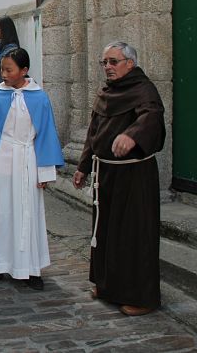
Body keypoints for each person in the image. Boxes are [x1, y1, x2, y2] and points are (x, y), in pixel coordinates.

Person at [73, 42, 165, 316]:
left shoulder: (144, 90)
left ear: (130, 63)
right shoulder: (106, 91)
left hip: (133, 175)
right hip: (106, 173)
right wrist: (83, 165)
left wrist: (132, 134)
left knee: (132, 235)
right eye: (105, 62)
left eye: (114, 61)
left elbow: (151, 117)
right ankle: (108, 285)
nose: (108, 67)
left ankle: (141, 297)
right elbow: (94, 131)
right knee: (105, 233)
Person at [0, 48, 64, 291]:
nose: (3, 73)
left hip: (27, 159)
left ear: (24, 71)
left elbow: (45, 134)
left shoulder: (40, 98)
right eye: (2, 69)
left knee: (27, 213)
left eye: (9, 70)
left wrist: (44, 171)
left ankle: (29, 267)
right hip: (2, 159)